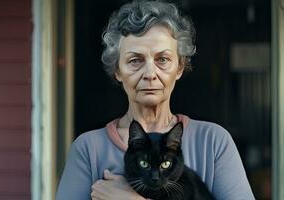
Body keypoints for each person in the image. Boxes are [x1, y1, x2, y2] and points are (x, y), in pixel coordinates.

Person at [56, 1, 255, 199]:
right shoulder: (88, 148)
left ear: (179, 67)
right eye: (135, 60)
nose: (150, 73)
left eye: (162, 60)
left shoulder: (213, 142)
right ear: (117, 71)